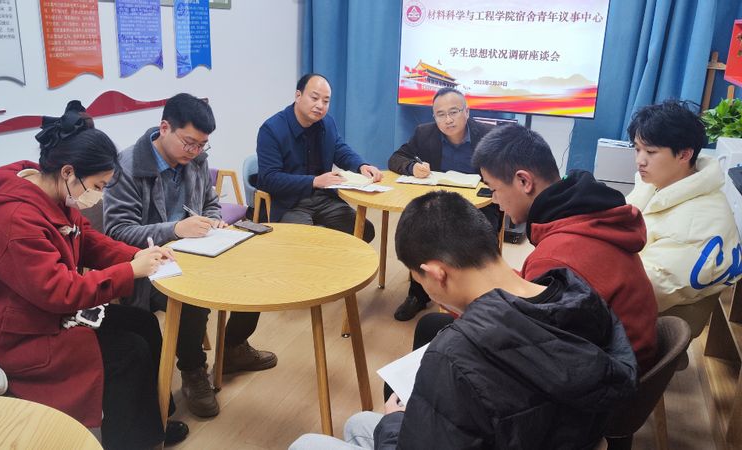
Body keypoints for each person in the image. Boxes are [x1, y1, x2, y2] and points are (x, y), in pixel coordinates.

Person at [290, 191, 638, 450]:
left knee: (307, 443)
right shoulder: (581, 297)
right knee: (358, 423)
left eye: (419, 279)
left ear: (435, 273)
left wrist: (395, 422)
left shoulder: (455, 355)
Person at [0, 101, 188, 449]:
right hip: (23, 332)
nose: (98, 196)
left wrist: (137, 255)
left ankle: (153, 421)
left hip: (47, 312)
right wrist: (130, 270)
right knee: (128, 353)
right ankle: (134, 441)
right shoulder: (15, 220)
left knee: (143, 323)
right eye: (97, 186)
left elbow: (88, 239)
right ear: (68, 172)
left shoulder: (49, 189)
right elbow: (60, 292)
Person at [408, 124, 658, 375]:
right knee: (434, 325)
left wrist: (459, 294)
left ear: (524, 181)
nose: (495, 200)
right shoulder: (586, 215)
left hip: (603, 375)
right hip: (615, 352)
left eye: (494, 189)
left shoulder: (557, 256)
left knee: (442, 337)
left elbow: (526, 340)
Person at [103, 93, 277, 419]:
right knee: (193, 295)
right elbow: (117, 232)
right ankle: (193, 369)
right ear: (164, 128)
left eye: (202, 145)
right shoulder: (127, 167)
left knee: (253, 268)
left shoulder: (194, 159)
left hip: (196, 250)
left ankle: (234, 346)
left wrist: (213, 220)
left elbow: (210, 202)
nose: (195, 151)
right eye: (189, 143)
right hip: (150, 265)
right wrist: (176, 229)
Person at [387, 87, 501, 321]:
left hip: (479, 207)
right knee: (416, 231)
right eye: (441, 114)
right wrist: (412, 167)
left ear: (466, 112)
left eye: (454, 112)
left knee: (472, 237)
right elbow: (396, 158)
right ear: (434, 116)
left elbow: (505, 173)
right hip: (438, 205)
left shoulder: (488, 135)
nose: (448, 120)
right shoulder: (424, 133)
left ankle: (478, 297)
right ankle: (417, 295)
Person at [626, 100, 742, 311]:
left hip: (632, 314)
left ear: (684, 154)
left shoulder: (695, 227)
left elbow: (640, 291)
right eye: (637, 149)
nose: (640, 161)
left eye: (650, 152)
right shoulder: (659, 182)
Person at [256, 73, 381, 241]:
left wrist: (361, 165)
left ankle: (335, 258)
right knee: (308, 242)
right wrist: (314, 181)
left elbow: (340, 149)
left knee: (364, 230)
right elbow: (270, 179)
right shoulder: (272, 130)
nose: (320, 106)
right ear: (298, 96)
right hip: (289, 203)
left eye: (326, 101)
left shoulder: (327, 123)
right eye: (314, 98)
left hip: (324, 198)